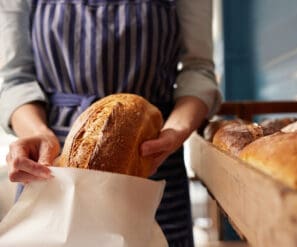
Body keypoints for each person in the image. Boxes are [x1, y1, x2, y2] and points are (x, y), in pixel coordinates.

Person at [0, 0, 221, 246]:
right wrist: (36, 132)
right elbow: (14, 78)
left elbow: (198, 70)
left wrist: (176, 130)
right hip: (53, 167)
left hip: (150, 161)